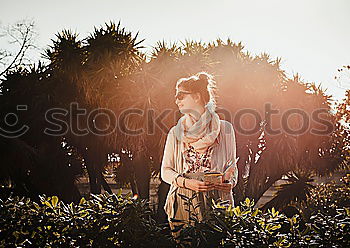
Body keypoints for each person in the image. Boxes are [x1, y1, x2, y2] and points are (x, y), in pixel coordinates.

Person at [161, 72, 238, 228]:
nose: (176, 100)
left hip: (217, 200)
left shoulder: (225, 129)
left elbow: (232, 166)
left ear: (196, 96)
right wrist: (188, 183)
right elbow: (165, 172)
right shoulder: (175, 133)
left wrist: (230, 183)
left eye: (181, 95)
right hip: (184, 199)